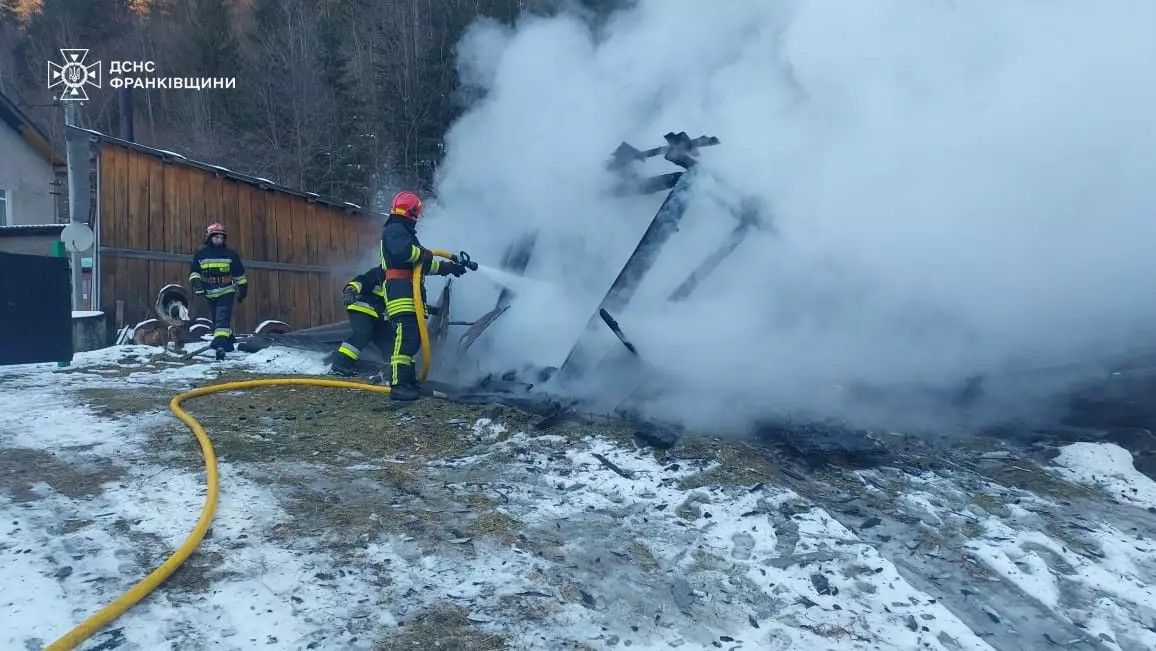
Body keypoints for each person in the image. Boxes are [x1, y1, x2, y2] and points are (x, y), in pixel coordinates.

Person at [379, 190, 469, 401]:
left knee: (412, 339)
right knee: (406, 335)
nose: (417, 217)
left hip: (409, 289)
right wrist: (426, 253)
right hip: (400, 289)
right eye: (416, 212)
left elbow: (421, 265)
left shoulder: (403, 232)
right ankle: (399, 385)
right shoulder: (395, 229)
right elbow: (405, 253)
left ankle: (408, 381)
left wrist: (448, 267)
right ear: (411, 212)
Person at [188, 223, 248, 360]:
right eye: (216, 237)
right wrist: (197, 284)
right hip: (209, 292)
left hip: (226, 291)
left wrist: (243, 288)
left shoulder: (230, 254)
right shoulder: (201, 254)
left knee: (222, 318)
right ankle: (228, 341)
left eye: (221, 237)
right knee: (217, 319)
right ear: (209, 238)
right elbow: (194, 272)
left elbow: (239, 273)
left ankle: (220, 345)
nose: (219, 240)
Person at [329, 265, 391, 377]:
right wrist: (350, 291)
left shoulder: (403, 279)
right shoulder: (379, 272)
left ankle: (391, 369)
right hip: (362, 309)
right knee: (362, 334)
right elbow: (362, 280)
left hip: (378, 315)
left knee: (388, 340)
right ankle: (339, 366)